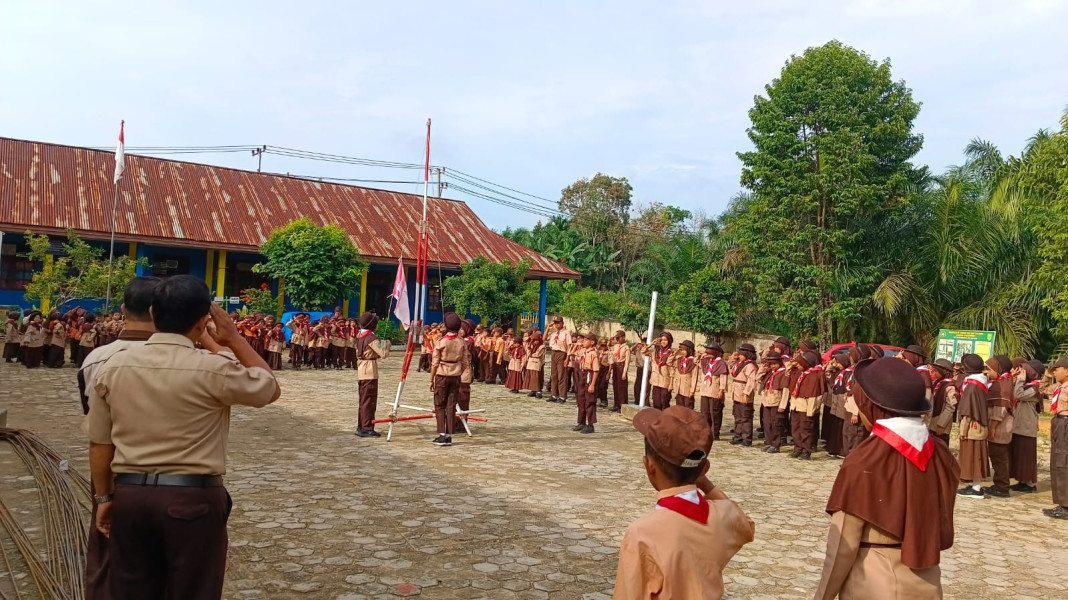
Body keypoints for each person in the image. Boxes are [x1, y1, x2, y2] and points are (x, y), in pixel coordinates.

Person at [88, 275, 280, 600]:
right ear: (204, 320)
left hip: (131, 496)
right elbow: (268, 387)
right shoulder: (214, 369)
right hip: (192, 501)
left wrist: (105, 499)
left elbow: (100, 443)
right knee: (193, 589)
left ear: (152, 313)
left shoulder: (112, 366)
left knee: (130, 589)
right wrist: (232, 339)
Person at [814, 358, 959, 600]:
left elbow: (842, 548)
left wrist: (822, 597)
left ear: (873, 406)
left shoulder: (865, 460)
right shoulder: (942, 456)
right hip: (928, 583)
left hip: (873, 583)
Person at [614, 405, 755, 600]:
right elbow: (746, 526)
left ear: (649, 466)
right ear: (704, 468)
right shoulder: (724, 516)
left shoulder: (642, 534)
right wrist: (706, 485)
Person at [77, 276, 160, 600]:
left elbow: (98, 434)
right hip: (179, 486)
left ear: (124, 308)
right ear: (160, 310)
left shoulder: (96, 360)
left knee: (110, 571)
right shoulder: (193, 360)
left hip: (118, 478)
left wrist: (102, 497)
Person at [430, 313, 469, 447]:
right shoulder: (461, 341)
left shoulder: (441, 342)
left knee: (440, 405)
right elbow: (465, 362)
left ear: (446, 326)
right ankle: (449, 435)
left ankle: (442, 434)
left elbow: (435, 363)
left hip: (442, 374)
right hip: (456, 374)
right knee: (451, 405)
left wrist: (432, 379)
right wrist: (458, 372)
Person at [957, 353, 991, 498]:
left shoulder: (972, 386)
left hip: (972, 426)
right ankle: (975, 485)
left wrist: (962, 430)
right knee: (974, 455)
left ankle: (977, 489)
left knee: (974, 455)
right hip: (980, 425)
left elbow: (967, 411)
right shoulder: (981, 382)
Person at [354, 312, 390, 438]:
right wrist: (387, 344)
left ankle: (361, 425)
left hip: (362, 369)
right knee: (369, 400)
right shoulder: (372, 338)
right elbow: (383, 354)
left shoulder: (360, 335)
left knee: (363, 400)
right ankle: (367, 427)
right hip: (369, 370)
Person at [1009, 359, 1042, 494]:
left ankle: (1030, 483)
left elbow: (1018, 394)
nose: (1023, 372)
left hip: (1027, 426)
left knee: (1027, 456)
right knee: (1019, 455)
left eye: (1025, 370)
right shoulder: (1027, 385)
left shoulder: (1035, 387)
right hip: (1019, 425)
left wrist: (1020, 380)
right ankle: (1022, 481)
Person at [984, 355, 1015, 498]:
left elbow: (1000, 409)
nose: (986, 372)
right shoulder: (1003, 381)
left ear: (998, 369)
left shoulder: (1003, 385)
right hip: (1000, 426)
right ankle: (999, 484)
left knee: (999, 457)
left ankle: (1002, 487)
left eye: (988, 369)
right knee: (998, 456)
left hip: (1000, 427)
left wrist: (992, 427)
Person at [1043, 356, 1068, 519]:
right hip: (1059, 423)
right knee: (1057, 462)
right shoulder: (1060, 387)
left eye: (1057, 369)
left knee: (1063, 462)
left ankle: (1065, 506)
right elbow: (1042, 389)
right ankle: (1061, 502)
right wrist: (1046, 375)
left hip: (1066, 423)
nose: (1055, 372)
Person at [788, 351, 825, 460]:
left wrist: (811, 410)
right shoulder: (799, 373)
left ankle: (806, 450)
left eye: (800, 363)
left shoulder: (813, 376)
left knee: (806, 430)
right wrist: (792, 365)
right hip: (796, 405)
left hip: (806, 406)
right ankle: (797, 448)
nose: (797, 365)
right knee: (795, 428)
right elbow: (789, 374)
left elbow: (814, 395)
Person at [840, 345, 871, 457]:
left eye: (852, 354)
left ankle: (853, 460)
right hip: (850, 407)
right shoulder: (856, 369)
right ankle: (848, 458)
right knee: (847, 434)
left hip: (857, 410)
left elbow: (861, 394)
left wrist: (855, 412)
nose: (850, 357)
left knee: (855, 435)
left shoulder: (863, 372)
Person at [729, 343, 759, 447]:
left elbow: (751, 381)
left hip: (744, 391)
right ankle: (738, 435)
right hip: (736, 392)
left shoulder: (750, 365)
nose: (739, 355)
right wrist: (733, 357)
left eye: (741, 353)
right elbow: (731, 367)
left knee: (745, 416)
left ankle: (747, 438)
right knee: (737, 415)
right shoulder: (739, 363)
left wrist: (746, 393)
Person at [759, 351, 789, 453]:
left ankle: (776, 444)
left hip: (777, 401)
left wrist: (783, 404)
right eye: (771, 364)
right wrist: (764, 368)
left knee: (776, 423)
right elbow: (758, 378)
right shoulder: (769, 373)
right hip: (767, 401)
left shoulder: (783, 373)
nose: (773, 366)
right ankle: (768, 442)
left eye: (774, 363)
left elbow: (785, 390)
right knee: (766, 423)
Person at [698, 342, 729, 438]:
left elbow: (723, 378)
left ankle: (715, 433)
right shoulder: (706, 361)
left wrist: (721, 390)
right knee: (705, 412)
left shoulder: (721, 363)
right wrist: (702, 355)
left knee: (715, 413)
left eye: (711, 353)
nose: (709, 355)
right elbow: (695, 362)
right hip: (705, 390)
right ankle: (706, 431)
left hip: (715, 391)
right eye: (708, 353)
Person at [573, 333, 600, 434]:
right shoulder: (584, 352)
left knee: (589, 401)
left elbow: (596, 370)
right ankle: (581, 422)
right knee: (581, 400)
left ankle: (590, 424)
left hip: (589, 376)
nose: (583, 341)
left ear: (592, 342)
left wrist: (592, 384)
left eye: (586, 340)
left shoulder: (593, 353)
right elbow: (573, 353)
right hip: (582, 375)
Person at [928, 358, 959, 445]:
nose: (933, 373)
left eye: (936, 371)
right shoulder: (938, 383)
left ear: (944, 372)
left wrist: (941, 425)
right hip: (933, 423)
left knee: (942, 449)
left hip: (941, 426)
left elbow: (950, 407)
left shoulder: (950, 387)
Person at [548, 316, 572, 403]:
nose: (557, 325)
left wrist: (567, 358)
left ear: (562, 323)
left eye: (558, 323)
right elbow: (544, 338)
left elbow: (569, 346)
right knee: (553, 375)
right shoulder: (554, 333)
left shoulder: (566, 333)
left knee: (561, 375)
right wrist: (548, 328)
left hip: (562, 354)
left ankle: (562, 396)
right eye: (555, 323)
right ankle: (554, 394)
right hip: (554, 353)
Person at [672, 340, 699, 410]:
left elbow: (694, 377)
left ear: (689, 350)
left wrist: (692, 391)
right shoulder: (679, 360)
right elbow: (669, 362)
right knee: (679, 409)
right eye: (682, 350)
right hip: (679, 388)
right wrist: (675, 353)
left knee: (687, 409)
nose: (682, 352)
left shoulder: (693, 361)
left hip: (688, 390)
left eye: (684, 350)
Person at [610, 330, 630, 412]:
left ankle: (622, 405)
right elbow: (610, 350)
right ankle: (616, 404)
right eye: (616, 338)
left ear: (623, 337)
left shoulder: (626, 348)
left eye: (619, 338)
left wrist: (624, 373)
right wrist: (610, 340)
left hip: (621, 366)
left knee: (622, 387)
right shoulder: (616, 346)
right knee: (615, 386)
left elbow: (627, 362)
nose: (617, 340)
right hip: (615, 366)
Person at [522, 329, 545, 398]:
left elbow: (538, 354)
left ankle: (538, 390)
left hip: (537, 364)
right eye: (534, 340)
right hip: (531, 364)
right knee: (531, 377)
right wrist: (529, 349)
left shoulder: (542, 346)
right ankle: (532, 390)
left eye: (536, 340)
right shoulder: (531, 346)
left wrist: (531, 354)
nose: (535, 342)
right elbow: (528, 354)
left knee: (536, 378)